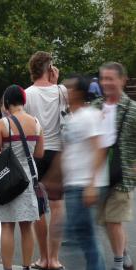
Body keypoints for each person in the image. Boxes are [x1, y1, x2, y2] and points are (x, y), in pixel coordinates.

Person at [0, 85, 44, 270]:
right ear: (23, 101)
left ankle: (7, 268)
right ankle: (27, 266)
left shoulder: (2, 124)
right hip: (28, 177)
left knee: (7, 226)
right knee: (27, 226)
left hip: (8, 179)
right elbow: (40, 153)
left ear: (6, 103)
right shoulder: (36, 123)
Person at [92, 62, 136, 270]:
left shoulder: (133, 109)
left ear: (122, 80)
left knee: (113, 220)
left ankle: (118, 264)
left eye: (110, 78)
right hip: (98, 174)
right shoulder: (95, 106)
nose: (106, 83)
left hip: (123, 174)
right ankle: (124, 252)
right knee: (106, 221)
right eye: (103, 78)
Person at [24, 51, 65, 270]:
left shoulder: (27, 94)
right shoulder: (62, 91)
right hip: (58, 153)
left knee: (39, 208)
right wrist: (56, 84)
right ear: (50, 69)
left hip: (35, 154)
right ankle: (55, 259)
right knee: (58, 206)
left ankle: (43, 258)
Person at [61, 75, 106, 270]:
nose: (65, 92)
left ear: (78, 92)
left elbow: (99, 149)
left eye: (68, 88)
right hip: (73, 185)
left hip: (84, 185)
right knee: (79, 236)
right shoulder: (72, 117)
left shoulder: (90, 116)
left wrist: (91, 184)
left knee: (83, 237)